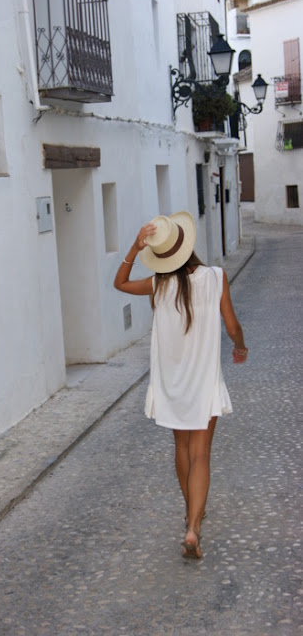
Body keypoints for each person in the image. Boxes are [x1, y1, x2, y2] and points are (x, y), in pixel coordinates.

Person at [114, 212, 248, 559]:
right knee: (201, 453)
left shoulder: (158, 284)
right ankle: (193, 527)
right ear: (186, 244)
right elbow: (232, 325)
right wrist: (240, 345)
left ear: (160, 255)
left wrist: (134, 248)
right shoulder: (216, 277)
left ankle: (192, 514)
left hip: (172, 383)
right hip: (203, 381)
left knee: (182, 449)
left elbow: (120, 283)